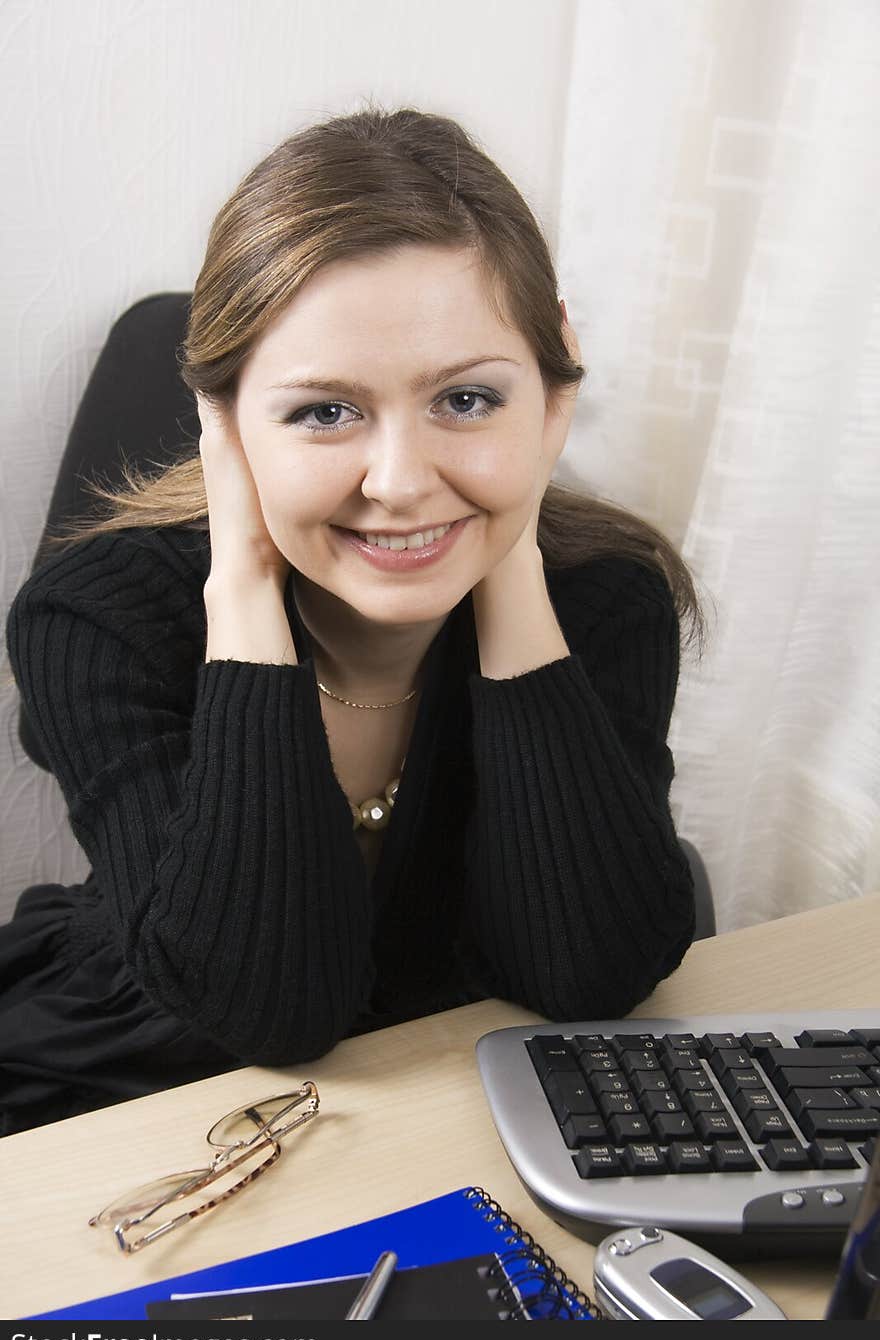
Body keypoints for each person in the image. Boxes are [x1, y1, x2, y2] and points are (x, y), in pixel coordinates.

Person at [1, 104, 707, 1136]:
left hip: (448, 1107)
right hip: (136, 1092)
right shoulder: (100, 617)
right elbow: (268, 1009)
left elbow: (589, 972)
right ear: (227, 419)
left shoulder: (605, 599)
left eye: (467, 399)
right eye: (324, 411)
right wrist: (243, 591)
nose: (401, 482)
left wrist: (510, 555)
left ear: (549, 386)